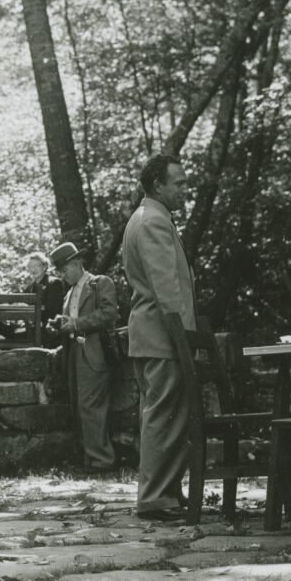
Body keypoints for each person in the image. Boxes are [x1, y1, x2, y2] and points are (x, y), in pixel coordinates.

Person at [120, 154, 200, 519]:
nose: (185, 189)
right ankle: (155, 497)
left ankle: (166, 491)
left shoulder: (147, 217)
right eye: (179, 183)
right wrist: (182, 340)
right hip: (162, 334)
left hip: (150, 333)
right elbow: (165, 287)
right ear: (157, 185)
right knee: (162, 415)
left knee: (163, 415)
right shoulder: (153, 222)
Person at [48, 240, 130, 471]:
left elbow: (109, 313)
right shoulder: (69, 293)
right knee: (79, 406)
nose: (63, 277)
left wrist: (76, 324)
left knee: (91, 406)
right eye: (60, 273)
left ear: (77, 263)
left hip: (95, 353)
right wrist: (60, 324)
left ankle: (102, 460)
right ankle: (90, 459)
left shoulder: (99, 283)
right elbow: (72, 321)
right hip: (75, 355)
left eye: (64, 271)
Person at [1, 250, 57, 343]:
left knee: (11, 337)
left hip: (46, 328)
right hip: (29, 326)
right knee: (3, 328)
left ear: (44, 266)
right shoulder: (30, 285)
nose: (33, 269)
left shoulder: (53, 283)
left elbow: (53, 310)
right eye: (30, 267)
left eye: (36, 266)